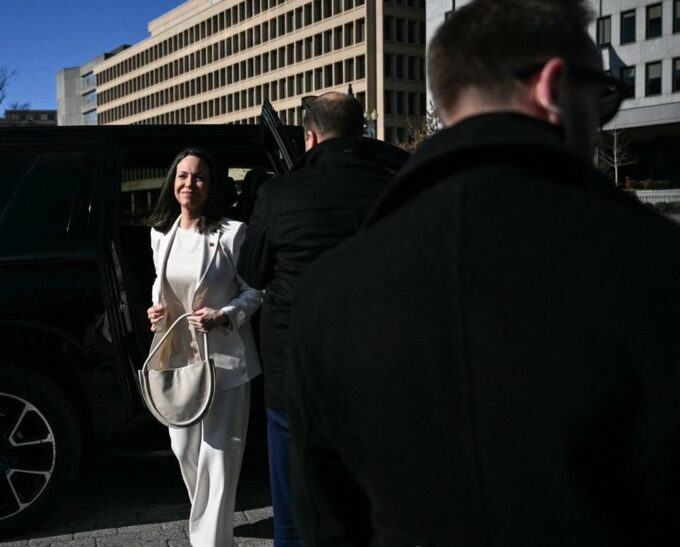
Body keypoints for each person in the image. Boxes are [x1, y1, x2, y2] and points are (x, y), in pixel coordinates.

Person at [286, 0, 680, 545]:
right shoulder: (657, 263)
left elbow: (328, 519)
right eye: (604, 95)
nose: (600, 119)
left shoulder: (327, 293)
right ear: (554, 86)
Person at [237, 91, 408, 546]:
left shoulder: (279, 193)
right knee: (374, 503)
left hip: (295, 372)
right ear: (362, 130)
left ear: (310, 137)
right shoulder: (398, 187)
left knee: (295, 508)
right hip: (379, 373)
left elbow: (251, 272)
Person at [145, 148, 262, 547]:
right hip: (175, 356)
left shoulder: (231, 233)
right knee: (183, 450)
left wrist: (226, 314)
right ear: (172, 182)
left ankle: (209, 541)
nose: (188, 184)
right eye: (182, 176)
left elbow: (255, 291)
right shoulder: (161, 234)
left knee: (219, 458)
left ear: (210, 187)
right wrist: (155, 309)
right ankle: (213, 529)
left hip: (225, 359)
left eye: (198, 178)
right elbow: (161, 287)